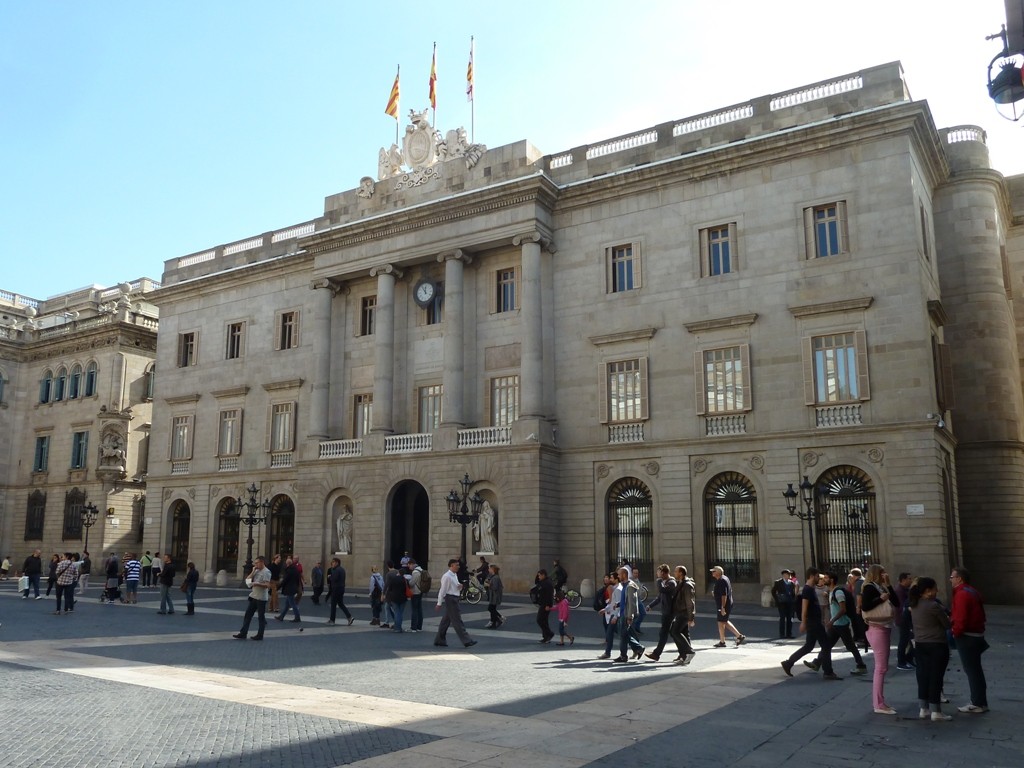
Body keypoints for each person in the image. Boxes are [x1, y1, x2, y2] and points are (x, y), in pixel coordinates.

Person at [781, 566, 839, 680]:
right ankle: (828, 672)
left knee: (809, 646)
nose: (819, 578)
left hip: (814, 621)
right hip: (813, 622)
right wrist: (803, 622)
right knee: (826, 646)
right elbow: (804, 606)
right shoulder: (807, 589)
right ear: (812, 576)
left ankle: (788, 663)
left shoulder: (811, 589)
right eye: (818, 576)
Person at [806, 571, 867, 676]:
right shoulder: (831, 591)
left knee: (850, 646)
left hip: (841, 624)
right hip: (836, 625)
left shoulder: (838, 592)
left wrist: (832, 620)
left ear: (832, 580)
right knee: (827, 645)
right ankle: (817, 663)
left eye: (826, 578)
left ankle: (861, 666)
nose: (823, 579)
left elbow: (842, 609)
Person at [909, 576, 953, 721]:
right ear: (928, 591)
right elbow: (947, 624)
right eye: (935, 589)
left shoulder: (914, 604)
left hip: (920, 644)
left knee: (923, 676)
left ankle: (924, 708)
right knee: (936, 677)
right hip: (936, 644)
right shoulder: (933, 605)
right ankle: (936, 711)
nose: (937, 591)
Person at [860, 563, 899, 714]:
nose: (885, 575)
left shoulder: (880, 586)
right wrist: (881, 599)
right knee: (881, 668)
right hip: (877, 628)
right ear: (877, 573)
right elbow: (865, 607)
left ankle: (879, 702)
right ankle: (879, 704)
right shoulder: (870, 587)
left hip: (883, 626)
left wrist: (888, 585)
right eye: (883, 572)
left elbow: (896, 602)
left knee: (882, 667)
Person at [950, 566, 989, 713]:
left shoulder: (962, 595)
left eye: (952, 577)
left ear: (959, 578)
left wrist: (955, 633)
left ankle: (978, 703)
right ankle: (980, 701)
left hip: (968, 637)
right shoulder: (972, 591)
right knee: (976, 670)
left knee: (972, 670)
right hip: (976, 635)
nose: (950, 580)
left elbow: (961, 618)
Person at [434, 558, 477, 648]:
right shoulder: (447, 576)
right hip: (451, 599)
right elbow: (442, 590)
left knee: (445, 621)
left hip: (455, 597)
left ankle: (439, 639)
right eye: (456, 565)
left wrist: (460, 586)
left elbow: (456, 586)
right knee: (457, 620)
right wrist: (439, 603)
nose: (458, 566)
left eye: (458, 565)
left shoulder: (454, 575)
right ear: (451, 566)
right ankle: (467, 640)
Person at [644, 564, 678, 662]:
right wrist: (650, 605)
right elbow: (660, 597)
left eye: (658, 572)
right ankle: (684, 651)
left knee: (665, 633)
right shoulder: (664, 582)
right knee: (672, 633)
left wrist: (659, 581)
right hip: (666, 611)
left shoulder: (671, 583)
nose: (656, 574)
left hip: (670, 612)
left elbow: (662, 590)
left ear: (663, 572)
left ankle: (656, 654)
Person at [234, 556, 271, 640]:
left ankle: (260, 634)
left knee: (261, 617)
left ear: (262, 562)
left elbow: (267, 585)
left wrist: (257, 584)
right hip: (254, 596)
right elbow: (247, 581)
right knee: (248, 615)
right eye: (255, 563)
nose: (255, 564)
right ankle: (243, 632)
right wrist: (253, 571)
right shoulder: (256, 571)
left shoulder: (266, 572)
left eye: (257, 563)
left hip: (261, 598)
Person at [612, 567, 644, 662]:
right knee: (624, 635)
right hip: (623, 613)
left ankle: (624, 655)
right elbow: (625, 600)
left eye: (619, 574)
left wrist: (630, 616)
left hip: (626, 614)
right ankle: (637, 649)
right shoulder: (624, 585)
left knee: (623, 635)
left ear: (624, 575)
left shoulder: (630, 586)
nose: (618, 576)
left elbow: (632, 602)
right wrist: (618, 604)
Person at [709, 565, 745, 647]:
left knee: (722, 621)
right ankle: (724, 640)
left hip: (724, 605)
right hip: (725, 604)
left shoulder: (721, 580)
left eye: (714, 571)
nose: (712, 573)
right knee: (722, 621)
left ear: (718, 573)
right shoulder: (724, 578)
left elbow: (724, 595)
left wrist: (722, 607)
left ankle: (737, 636)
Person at [669, 565, 697, 665]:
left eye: (676, 571)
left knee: (674, 631)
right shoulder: (680, 583)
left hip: (684, 613)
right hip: (680, 612)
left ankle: (689, 651)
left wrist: (691, 618)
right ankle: (683, 655)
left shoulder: (687, 585)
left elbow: (690, 603)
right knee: (684, 634)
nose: (674, 573)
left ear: (681, 573)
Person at [895, 571, 916, 671]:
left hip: (906, 619)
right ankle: (901, 661)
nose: (910, 580)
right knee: (904, 641)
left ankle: (908, 659)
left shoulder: (905, 589)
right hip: (903, 620)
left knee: (910, 640)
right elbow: (902, 606)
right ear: (903, 580)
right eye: (909, 579)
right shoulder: (899, 591)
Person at [326, 557, 354, 626]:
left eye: (333, 562)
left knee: (333, 605)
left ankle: (332, 620)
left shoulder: (336, 570)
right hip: (341, 588)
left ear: (337, 563)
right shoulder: (342, 569)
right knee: (341, 604)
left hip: (336, 589)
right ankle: (349, 617)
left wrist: (330, 577)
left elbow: (334, 579)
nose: (332, 563)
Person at [595, 574, 617, 659]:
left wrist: (606, 609)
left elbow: (612, 601)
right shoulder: (611, 587)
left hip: (612, 612)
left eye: (610, 578)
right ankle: (607, 652)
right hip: (611, 611)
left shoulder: (611, 587)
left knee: (613, 632)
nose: (608, 579)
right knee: (610, 631)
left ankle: (636, 647)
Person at [274, 557, 302, 623]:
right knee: (287, 604)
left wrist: (278, 587)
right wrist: (297, 586)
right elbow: (298, 578)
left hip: (289, 589)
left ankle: (297, 617)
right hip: (293, 588)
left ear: (288, 564)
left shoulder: (289, 571)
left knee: (292, 604)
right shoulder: (295, 570)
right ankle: (281, 617)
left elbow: (284, 581)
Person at [771, 569, 796, 638]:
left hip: (789, 603)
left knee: (789, 618)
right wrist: (777, 599)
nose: (787, 576)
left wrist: (793, 600)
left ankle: (789, 634)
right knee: (782, 618)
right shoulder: (778, 582)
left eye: (788, 575)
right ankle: (782, 634)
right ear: (783, 575)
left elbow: (793, 593)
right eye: (785, 574)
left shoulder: (791, 583)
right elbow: (773, 591)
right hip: (782, 603)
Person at [848, 567, 868, 651]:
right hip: (864, 606)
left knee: (861, 624)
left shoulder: (859, 583)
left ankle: (864, 640)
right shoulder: (862, 581)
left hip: (861, 607)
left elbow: (859, 595)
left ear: (854, 575)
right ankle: (864, 639)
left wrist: (858, 607)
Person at [534, 568, 555, 643]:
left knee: (540, 620)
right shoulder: (543, 582)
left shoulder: (547, 583)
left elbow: (549, 595)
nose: (538, 577)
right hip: (543, 603)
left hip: (545, 604)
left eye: (539, 575)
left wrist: (548, 605)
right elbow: (536, 582)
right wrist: (537, 575)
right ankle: (546, 637)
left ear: (543, 575)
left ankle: (549, 633)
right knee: (544, 621)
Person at [385, 563, 407, 632]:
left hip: (394, 598)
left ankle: (397, 628)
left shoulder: (393, 579)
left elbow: (390, 588)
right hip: (403, 598)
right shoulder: (405, 580)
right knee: (400, 613)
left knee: (397, 612)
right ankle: (399, 627)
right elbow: (407, 588)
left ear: (398, 572)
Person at [407, 558, 424, 631]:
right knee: (419, 609)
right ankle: (419, 626)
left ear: (412, 564)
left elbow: (411, 583)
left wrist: (408, 580)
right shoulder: (421, 570)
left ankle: (413, 627)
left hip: (415, 592)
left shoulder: (415, 572)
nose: (409, 567)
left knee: (414, 609)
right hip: (421, 591)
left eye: (409, 565)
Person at [484, 563, 504, 628]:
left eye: (489, 568)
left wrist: (488, 585)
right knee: (492, 609)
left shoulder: (495, 577)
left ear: (492, 569)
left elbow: (494, 587)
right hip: (494, 595)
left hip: (495, 596)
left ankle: (499, 619)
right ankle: (494, 622)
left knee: (491, 608)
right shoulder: (494, 576)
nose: (488, 569)